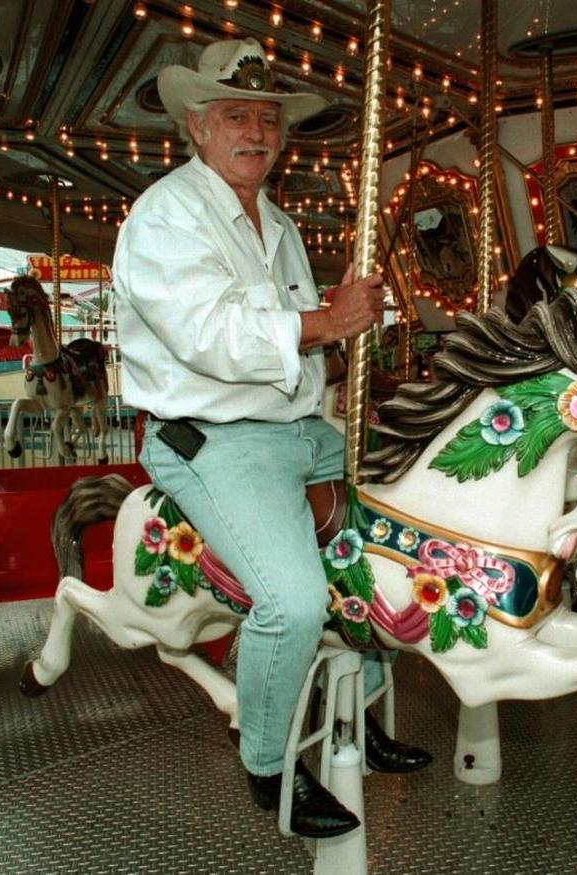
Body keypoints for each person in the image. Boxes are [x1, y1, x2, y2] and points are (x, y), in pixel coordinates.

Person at [112, 38, 431, 839]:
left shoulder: (278, 223)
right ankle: (266, 762)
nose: (255, 130)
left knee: (383, 551)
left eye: (266, 117)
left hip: (298, 431)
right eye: (235, 115)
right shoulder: (165, 217)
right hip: (216, 439)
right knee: (293, 602)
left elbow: (288, 335)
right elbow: (210, 335)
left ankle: (359, 711)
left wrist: (340, 327)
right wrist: (325, 320)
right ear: (196, 125)